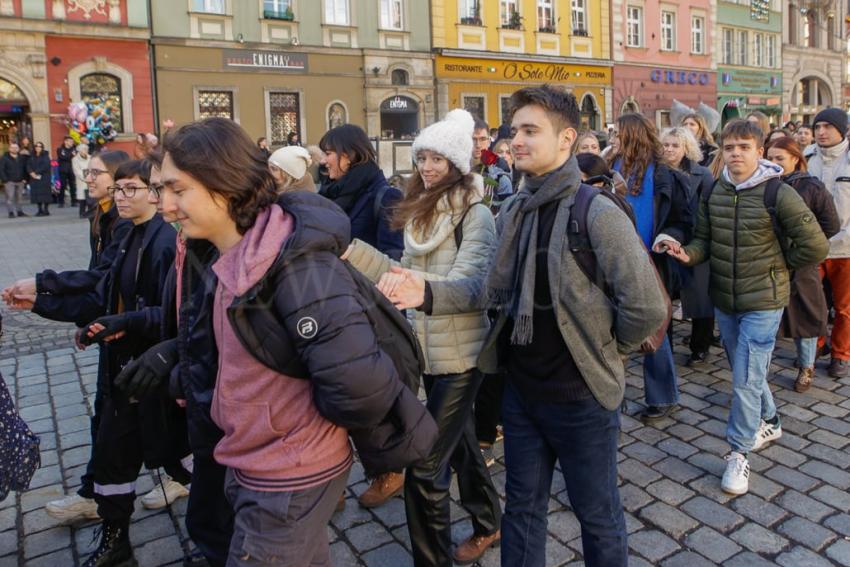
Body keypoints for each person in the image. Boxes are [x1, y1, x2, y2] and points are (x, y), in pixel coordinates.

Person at [378, 85, 668, 567]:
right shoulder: (513, 209)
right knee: (524, 512)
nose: (517, 140)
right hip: (522, 394)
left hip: (583, 398)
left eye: (531, 130)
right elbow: (485, 291)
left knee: (597, 515)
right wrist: (425, 292)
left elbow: (645, 306)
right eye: (515, 130)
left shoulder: (594, 213)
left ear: (567, 138)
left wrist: (606, 349)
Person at [159, 117, 406, 567]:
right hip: (251, 462)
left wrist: (296, 435)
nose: (165, 204)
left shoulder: (289, 264)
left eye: (178, 190)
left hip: (287, 473)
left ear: (224, 184)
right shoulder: (225, 255)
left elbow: (359, 385)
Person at [344, 108, 501, 567]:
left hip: (463, 355)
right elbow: (403, 273)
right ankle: (489, 522)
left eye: (438, 159)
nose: (428, 168)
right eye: (423, 158)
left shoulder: (476, 215)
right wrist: (349, 251)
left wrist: (423, 292)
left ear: (457, 164)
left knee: (426, 467)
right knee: (463, 446)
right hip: (425, 351)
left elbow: (475, 287)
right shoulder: (422, 207)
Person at [660, 119, 829, 495]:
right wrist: (687, 253)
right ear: (722, 150)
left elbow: (816, 245)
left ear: (758, 150)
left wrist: (780, 265)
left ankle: (738, 453)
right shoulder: (716, 191)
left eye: (744, 147)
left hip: (764, 301)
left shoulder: (778, 193)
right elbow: (705, 239)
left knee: (744, 380)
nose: (736, 153)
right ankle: (770, 418)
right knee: (746, 370)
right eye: (730, 147)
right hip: (726, 298)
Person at [60, 160, 180, 567]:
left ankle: (221, 528)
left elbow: (172, 313)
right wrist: (96, 325)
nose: (122, 197)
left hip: (155, 369)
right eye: (121, 189)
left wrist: (127, 325)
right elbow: (108, 288)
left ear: (153, 192)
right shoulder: (127, 233)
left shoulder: (166, 241)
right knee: (114, 452)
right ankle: (115, 538)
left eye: (132, 189)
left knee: (182, 455)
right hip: (123, 365)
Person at [608, 114, 693, 422]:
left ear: (634, 136)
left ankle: (663, 397)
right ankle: (610, 396)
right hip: (613, 259)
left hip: (650, 262)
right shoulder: (611, 166)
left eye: (620, 134)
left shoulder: (664, 176)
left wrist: (668, 237)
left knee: (653, 330)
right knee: (607, 328)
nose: (615, 138)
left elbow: (682, 220)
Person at [767, 136, 840, 392]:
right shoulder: (763, 183)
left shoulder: (812, 187)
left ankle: (806, 367)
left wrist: (805, 245)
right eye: (770, 157)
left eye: (780, 158)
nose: (774, 163)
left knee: (806, 317)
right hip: (768, 261)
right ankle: (760, 368)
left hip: (801, 263)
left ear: (796, 159)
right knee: (765, 317)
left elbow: (831, 224)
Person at [660, 127, 716, 367]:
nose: (669, 149)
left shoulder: (702, 174)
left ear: (686, 148)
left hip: (696, 240)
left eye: (675, 145)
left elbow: (709, 208)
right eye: (666, 144)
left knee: (701, 296)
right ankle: (665, 347)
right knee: (663, 299)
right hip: (664, 240)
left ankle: (700, 347)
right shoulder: (656, 173)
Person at [319, 124, 403, 259]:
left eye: (328, 154)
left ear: (348, 157)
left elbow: (393, 256)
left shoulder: (387, 197)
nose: (323, 161)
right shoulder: (329, 192)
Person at [808, 108, 850, 378]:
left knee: (845, 307)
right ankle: (816, 346)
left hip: (846, 248)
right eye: (817, 126)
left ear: (842, 129)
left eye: (827, 126)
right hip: (813, 246)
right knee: (813, 302)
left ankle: (840, 353)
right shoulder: (806, 157)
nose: (821, 131)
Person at [472, 119, 513, 205]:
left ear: (489, 142)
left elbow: (505, 214)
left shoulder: (500, 178)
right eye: (473, 139)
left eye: (482, 139)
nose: (478, 145)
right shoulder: (455, 174)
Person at [0, 142, 29, 218]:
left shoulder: (22, 158)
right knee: (10, 197)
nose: (14, 149)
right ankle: (11, 212)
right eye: (12, 147)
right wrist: (5, 180)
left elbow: (25, 168)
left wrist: (25, 178)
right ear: (9, 149)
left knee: (19, 197)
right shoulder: (4, 158)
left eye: (16, 147)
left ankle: (19, 211)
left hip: (20, 181)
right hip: (9, 181)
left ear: (18, 149)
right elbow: (1, 170)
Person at [27, 142, 52, 217]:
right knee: (36, 194)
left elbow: (46, 165)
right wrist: (31, 172)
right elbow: (28, 165)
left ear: (42, 147)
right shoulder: (31, 155)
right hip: (34, 178)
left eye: (40, 146)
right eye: (36, 146)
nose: (38, 147)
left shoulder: (45, 155)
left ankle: (46, 209)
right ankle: (39, 209)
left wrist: (36, 172)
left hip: (44, 177)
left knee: (45, 194)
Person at [56, 136, 76, 207]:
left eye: (72, 142)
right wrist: (71, 155)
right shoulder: (60, 149)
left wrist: (71, 156)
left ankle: (74, 201)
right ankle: (61, 202)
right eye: (70, 141)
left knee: (72, 185)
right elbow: (63, 158)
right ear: (65, 142)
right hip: (63, 170)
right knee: (63, 186)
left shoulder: (74, 149)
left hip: (71, 169)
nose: (71, 143)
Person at [72, 143, 91, 218]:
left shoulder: (90, 157)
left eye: (86, 149)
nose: (85, 151)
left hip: (91, 179)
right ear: (79, 151)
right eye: (83, 149)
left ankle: (90, 212)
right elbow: (76, 171)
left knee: (90, 197)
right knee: (82, 198)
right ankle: (82, 213)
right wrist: (85, 178)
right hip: (82, 180)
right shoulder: (75, 159)